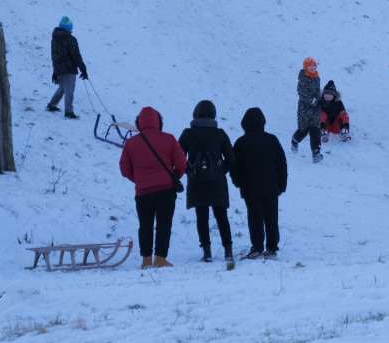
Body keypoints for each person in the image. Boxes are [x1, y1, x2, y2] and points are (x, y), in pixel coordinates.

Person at [120, 107, 187, 268]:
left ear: (139, 122)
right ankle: (160, 258)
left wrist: (138, 180)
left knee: (145, 224)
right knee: (164, 223)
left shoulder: (131, 143)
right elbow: (182, 163)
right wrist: (174, 177)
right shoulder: (169, 139)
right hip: (166, 190)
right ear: (159, 121)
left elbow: (124, 169)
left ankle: (146, 259)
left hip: (143, 191)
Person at [178, 100, 235, 263]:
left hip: (197, 180)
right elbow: (231, 158)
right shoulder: (220, 134)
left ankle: (207, 252)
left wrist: (189, 169)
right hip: (217, 180)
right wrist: (220, 168)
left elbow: (178, 155)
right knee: (221, 216)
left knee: (201, 216)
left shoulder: (188, 134)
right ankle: (228, 251)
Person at [231, 107, 287, 259]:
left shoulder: (241, 142)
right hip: (271, 187)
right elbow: (282, 163)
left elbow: (234, 165)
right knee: (271, 217)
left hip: (250, 187)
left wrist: (237, 182)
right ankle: (272, 247)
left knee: (255, 217)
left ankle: (257, 248)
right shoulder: (272, 140)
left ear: (244, 123)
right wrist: (282, 186)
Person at [46, 16, 88, 120]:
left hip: (59, 67)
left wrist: (55, 71)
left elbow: (54, 55)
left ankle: (52, 104)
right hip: (69, 68)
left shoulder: (54, 38)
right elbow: (76, 55)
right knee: (69, 90)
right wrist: (83, 69)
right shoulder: (70, 39)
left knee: (62, 87)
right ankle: (69, 112)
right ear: (69, 28)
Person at [291, 57, 323, 162]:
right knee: (303, 131)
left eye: (314, 65)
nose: (313, 67)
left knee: (315, 130)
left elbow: (317, 93)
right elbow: (303, 95)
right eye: (310, 65)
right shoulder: (303, 79)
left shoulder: (317, 78)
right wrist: (316, 101)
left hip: (315, 110)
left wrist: (321, 101)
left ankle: (316, 153)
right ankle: (294, 141)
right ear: (305, 68)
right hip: (304, 110)